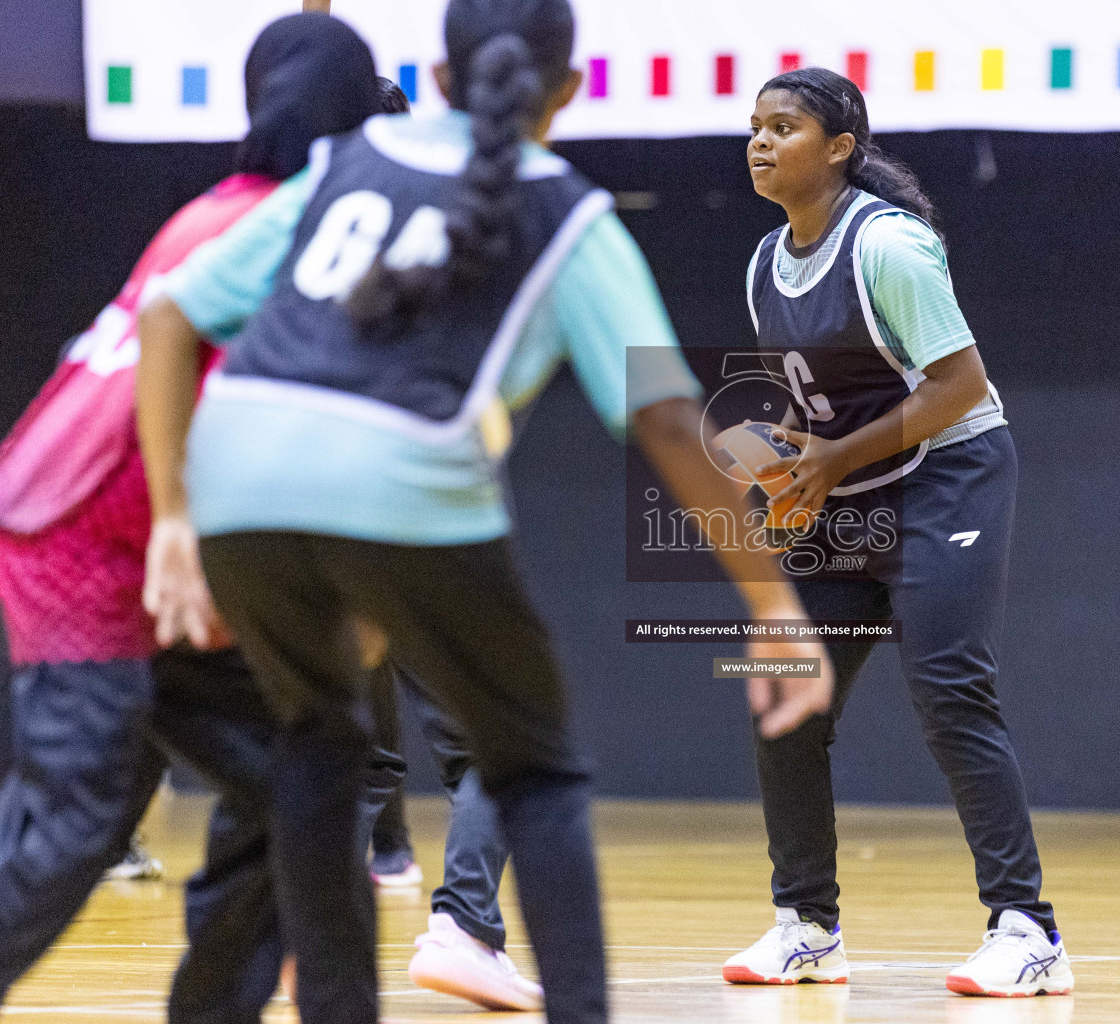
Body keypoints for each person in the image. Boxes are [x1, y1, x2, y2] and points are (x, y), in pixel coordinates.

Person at [134, 1, 834, 1022]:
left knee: (319, 747)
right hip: (404, 480)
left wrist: (173, 516)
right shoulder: (566, 212)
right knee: (534, 768)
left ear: (440, 71)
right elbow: (674, 424)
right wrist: (775, 605)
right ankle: (521, 969)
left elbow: (168, 311)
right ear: (570, 90)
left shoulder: (349, 160)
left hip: (240, 478)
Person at [0, 14, 384, 1021]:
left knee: (301, 772)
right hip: (85, 544)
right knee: (75, 820)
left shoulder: (223, 205)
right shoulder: (295, 226)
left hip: (134, 540)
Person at [720, 67, 1075, 998]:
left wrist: (830, 464)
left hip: (953, 471)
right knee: (785, 690)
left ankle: (1027, 929)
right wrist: (785, 469)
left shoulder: (890, 248)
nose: (759, 142)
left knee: (950, 688)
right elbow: (826, 412)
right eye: (754, 127)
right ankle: (808, 924)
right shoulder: (766, 264)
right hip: (858, 482)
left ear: (840, 149)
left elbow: (956, 388)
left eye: (783, 127)